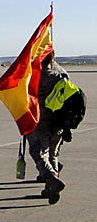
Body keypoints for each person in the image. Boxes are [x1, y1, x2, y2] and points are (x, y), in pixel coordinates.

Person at [27, 52, 68, 204]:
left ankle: (51, 178)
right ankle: (49, 189)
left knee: (39, 154)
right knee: (53, 154)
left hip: (40, 122)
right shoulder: (62, 74)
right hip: (58, 122)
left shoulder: (33, 76)